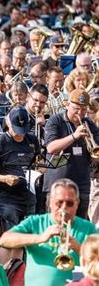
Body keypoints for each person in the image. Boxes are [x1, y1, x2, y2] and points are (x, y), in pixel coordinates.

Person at [0, 179, 97, 286]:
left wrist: (79, 248)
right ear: (50, 202)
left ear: (77, 204)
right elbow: (4, 240)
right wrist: (41, 238)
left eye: (69, 203)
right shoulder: (35, 222)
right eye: (59, 203)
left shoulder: (88, 228)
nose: (64, 208)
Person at [0, 106, 41, 263]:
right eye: (17, 129)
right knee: (11, 239)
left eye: (22, 129)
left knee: (27, 238)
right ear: (8, 122)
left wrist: (41, 170)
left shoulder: (32, 140)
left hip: (29, 195)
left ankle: (21, 272)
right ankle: (5, 273)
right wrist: (5, 179)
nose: (19, 133)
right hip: (8, 198)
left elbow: (39, 161)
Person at [44, 89, 99, 218]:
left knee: (79, 228)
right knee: (55, 224)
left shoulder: (89, 123)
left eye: (84, 110)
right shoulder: (55, 121)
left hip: (82, 185)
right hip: (57, 183)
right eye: (76, 108)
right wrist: (74, 136)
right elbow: (51, 148)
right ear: (67, 104)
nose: (80, 113)